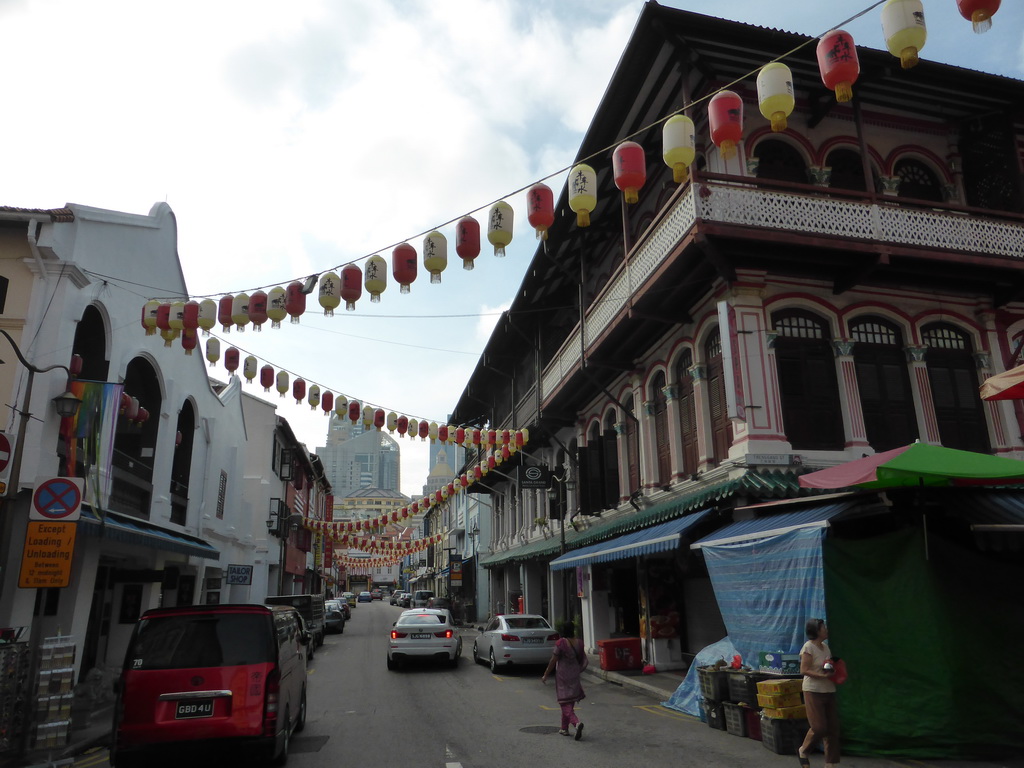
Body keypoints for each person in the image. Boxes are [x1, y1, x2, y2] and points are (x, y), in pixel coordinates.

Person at [798, 618, 839, 768]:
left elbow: (826, 667)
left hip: (829, 689)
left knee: (832, 729)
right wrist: (822, 676)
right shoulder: (808, 647)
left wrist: (834, 671)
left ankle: (830, 764)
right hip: (813, 690)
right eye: (823, 628)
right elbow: (804, 670)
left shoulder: (826, 648)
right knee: (819, 727)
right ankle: (803, 750)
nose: (826, 630)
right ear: (816, 630)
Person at [541, 621, 588, 740]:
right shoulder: (580, 643)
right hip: (575, 675)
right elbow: (583, 660)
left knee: (563, 702)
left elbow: (553, 660)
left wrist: (546, 674)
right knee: (569, 700)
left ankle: (576, 723)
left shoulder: (561, 643)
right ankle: (564, 728)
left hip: (563, 676)